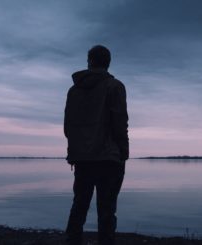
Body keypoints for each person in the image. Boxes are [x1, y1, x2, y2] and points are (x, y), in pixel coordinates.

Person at [64, 45, 129, 245]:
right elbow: (120, 122)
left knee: (79, 206)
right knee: (107, 210)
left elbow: (68, 126)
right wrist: (124, 151)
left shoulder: (74, 90)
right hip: (109, 158)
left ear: (89, 61)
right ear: (108, 62)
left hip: (82, 158)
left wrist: (75, 150)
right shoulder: (115, 86)